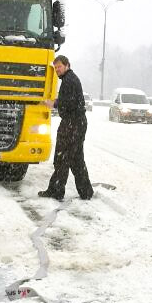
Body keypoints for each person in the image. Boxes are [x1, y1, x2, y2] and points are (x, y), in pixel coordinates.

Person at [38, 55, 94, 200]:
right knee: (76, 159)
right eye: (55, 68)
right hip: (77, 123)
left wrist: (53, 103)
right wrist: (56, 102)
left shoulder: (69, 81)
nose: (57, 70)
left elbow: (68, 103)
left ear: (67, 65)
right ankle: (86, 192)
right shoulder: (70, 79)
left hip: (72, 124)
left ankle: (56, 191)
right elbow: (69, 100)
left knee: (61, 158)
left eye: (59, 67)